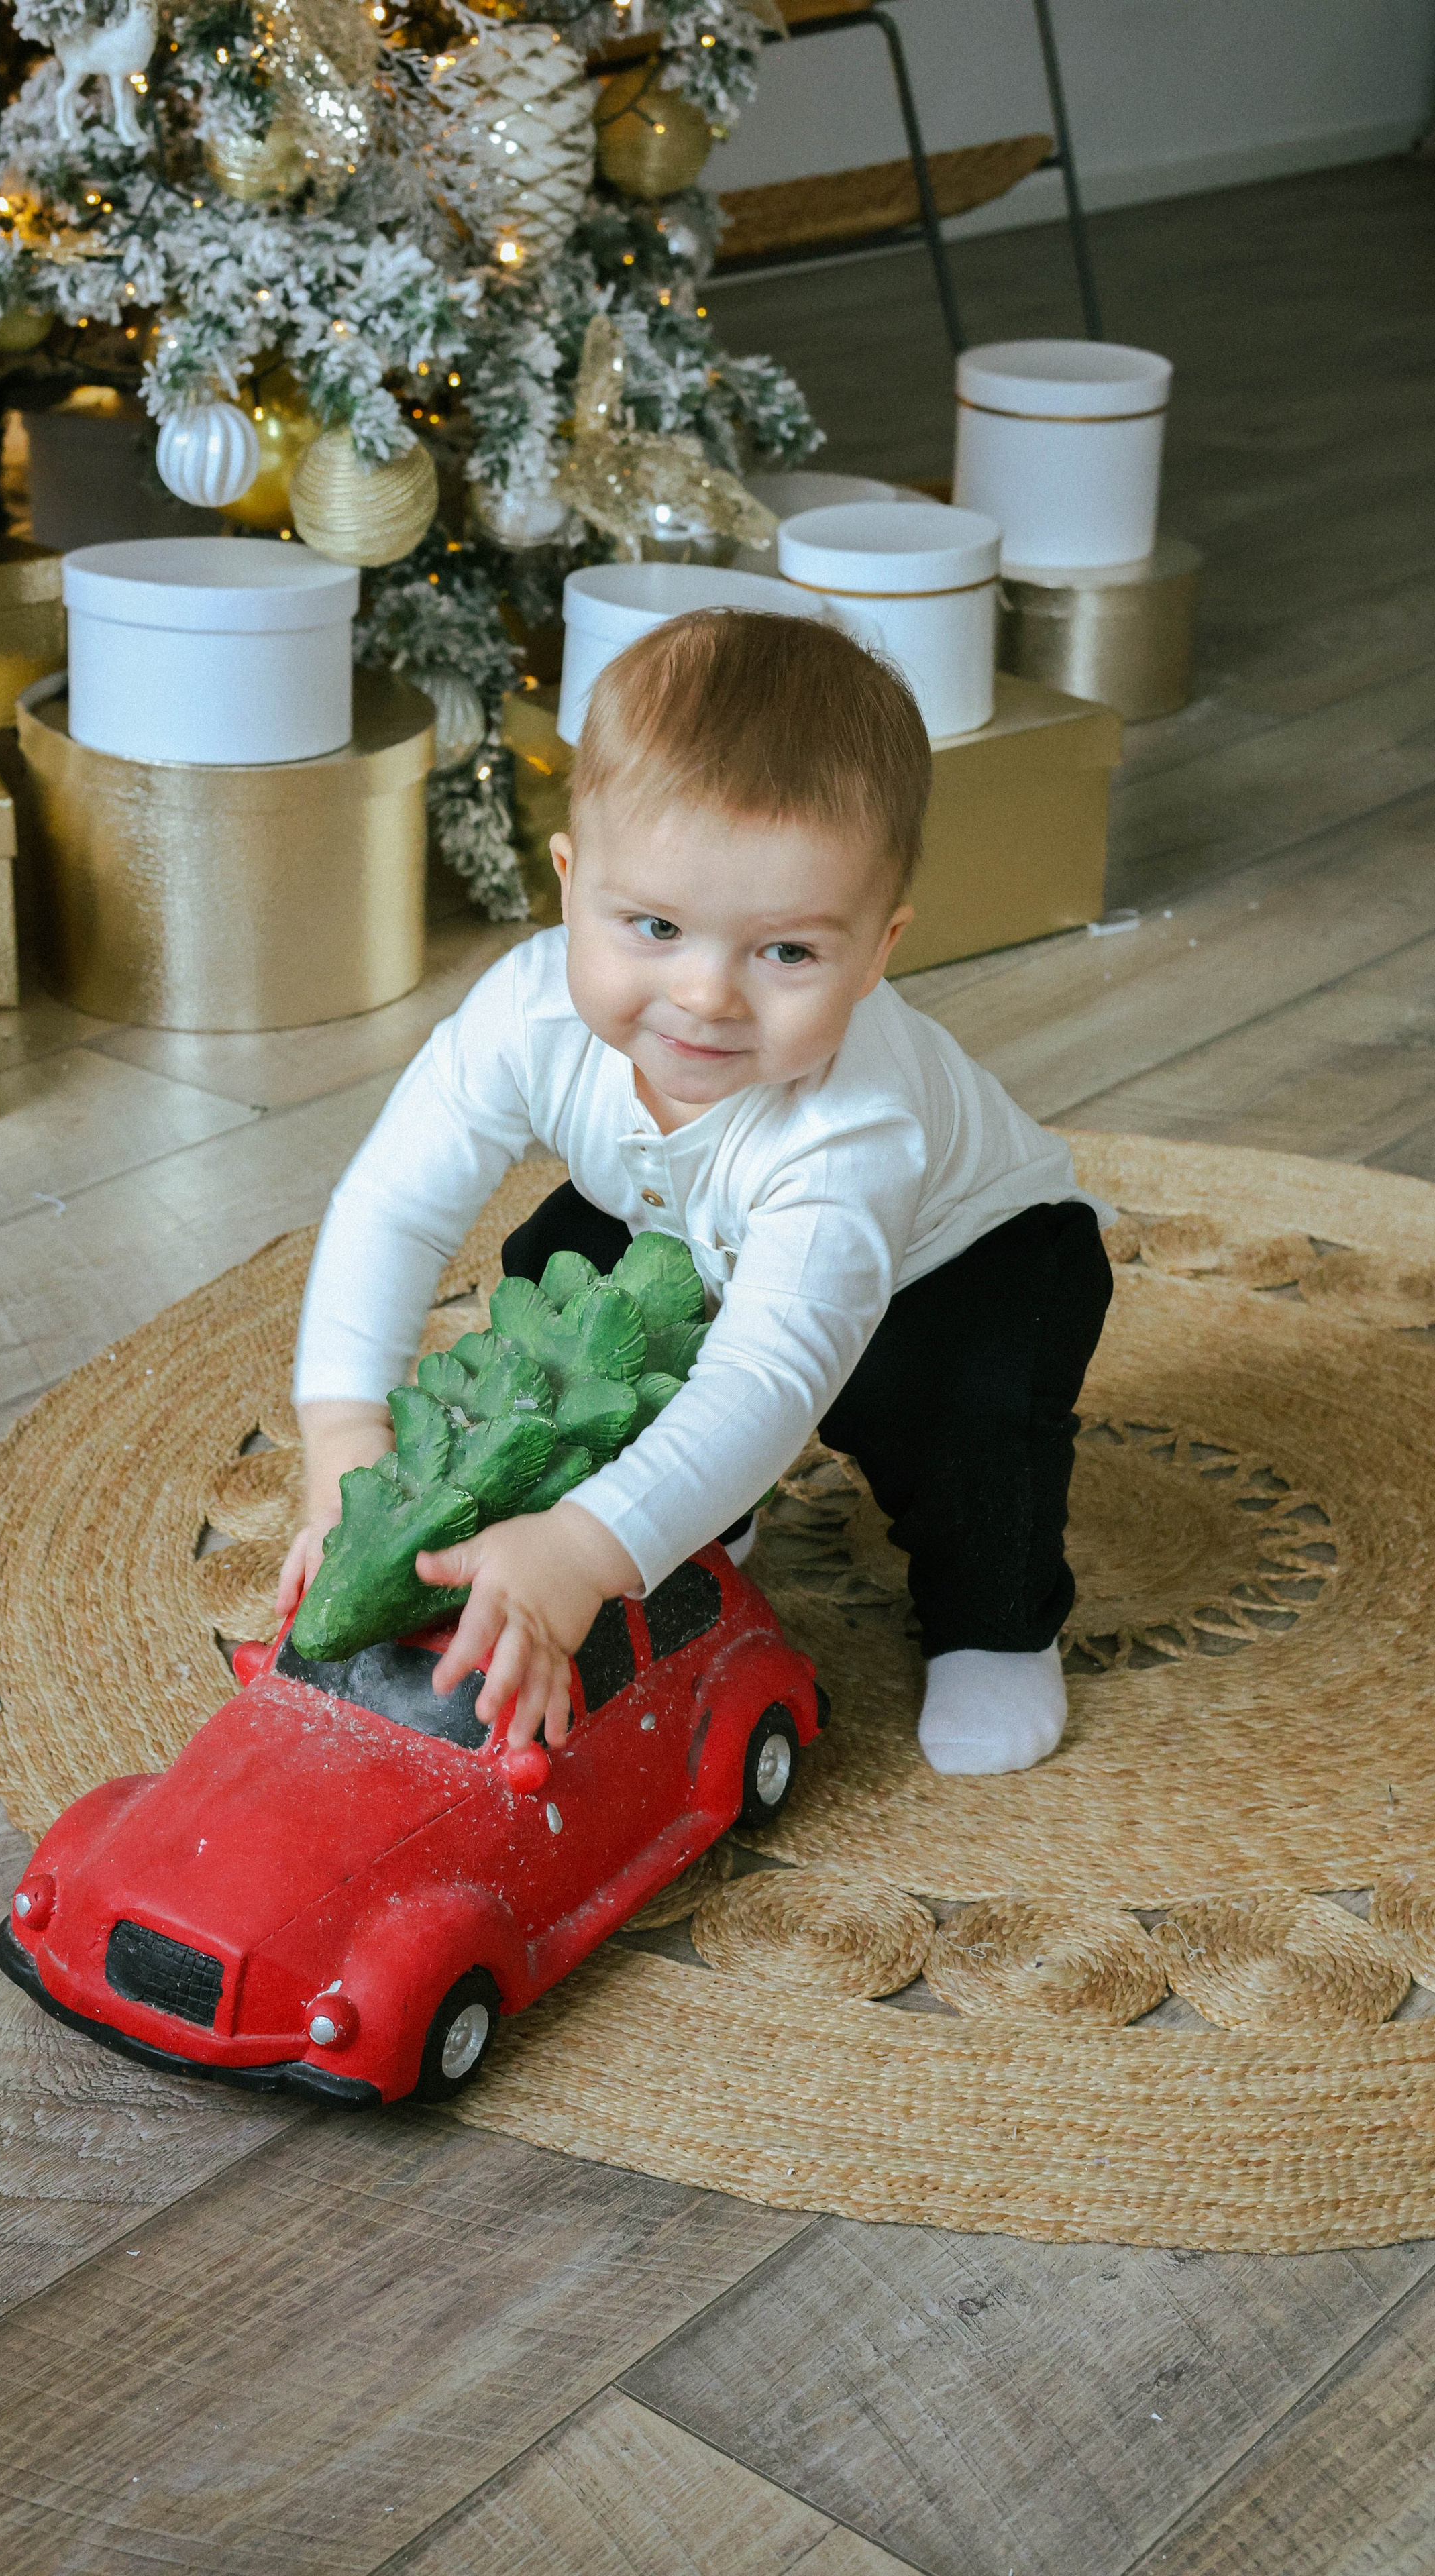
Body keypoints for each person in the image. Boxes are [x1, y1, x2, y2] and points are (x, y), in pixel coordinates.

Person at [278, 610, 1112, 1776]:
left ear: (878, 953)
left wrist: (582, 1550)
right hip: (686, 1228)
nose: (706, 995)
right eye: (657, 927)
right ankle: (688, 1503)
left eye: (788, 954)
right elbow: (394, 1206)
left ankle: (997, 1620)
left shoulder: (852, 1127)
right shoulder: (524, 1015)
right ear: (570, 886)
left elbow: (773, 1375)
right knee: (553, 1273)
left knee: (955, 1418)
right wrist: (342, 1430)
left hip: (969, 1259)